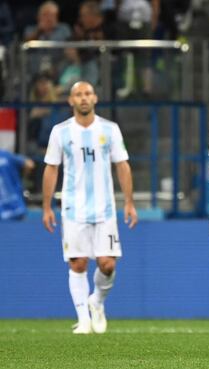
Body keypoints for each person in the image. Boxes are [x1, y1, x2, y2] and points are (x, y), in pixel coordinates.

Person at [41, 81, 138, 334]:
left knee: (107, 264)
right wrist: (47, 206)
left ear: (95, 98)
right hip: (73, 209)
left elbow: (122, 165)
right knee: (78, 263)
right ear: (70, 101)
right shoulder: (60, 132)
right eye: (78, 95)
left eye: (87, 94)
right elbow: (51, 168)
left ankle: (96, 302)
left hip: (104, 209)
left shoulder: (110, 129)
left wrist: (128, 202)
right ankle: (83, 319)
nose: (83, 98)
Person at [0, 149, 34, 220]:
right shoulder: (6, 155)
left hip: (15, 207)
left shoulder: (6, 155)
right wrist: (23, 179)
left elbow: (29, 164)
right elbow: (30, 164)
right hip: (17, 207)